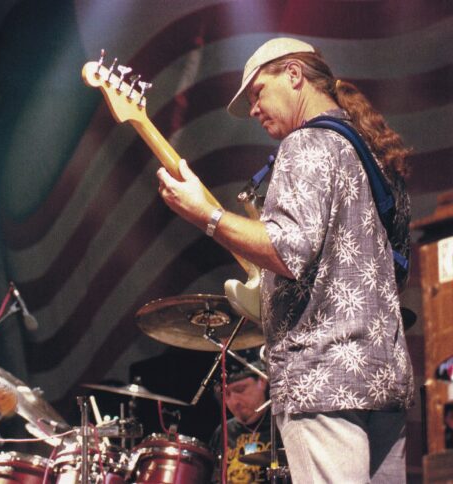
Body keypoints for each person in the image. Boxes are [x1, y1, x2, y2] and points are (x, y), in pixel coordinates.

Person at [157, 38, 413, 483]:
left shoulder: (307, 142)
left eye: (257, 92)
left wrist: (207, 215)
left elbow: (287, 249)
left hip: (324, 381)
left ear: (294, 75)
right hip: (384, 377)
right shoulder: (370, 151)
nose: (254, 109)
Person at [208, 354, 274, 484]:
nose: (234, 401)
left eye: (240, 390)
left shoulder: (280, 426)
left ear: (262, 381)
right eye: (226, 394)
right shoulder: (223, 432)